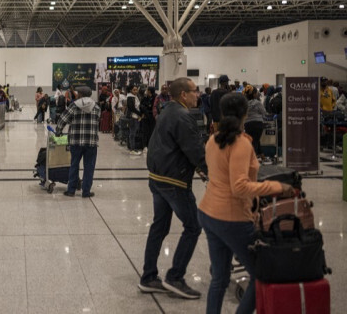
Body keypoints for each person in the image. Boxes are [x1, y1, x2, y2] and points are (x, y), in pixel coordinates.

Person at [198, 92, 294, 314]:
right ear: (246, 113)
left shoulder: (213, 140)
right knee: (260, 274)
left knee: (220, 278)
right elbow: (239, 187)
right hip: (231, 218)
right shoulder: (240, 144)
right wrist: (278, 188)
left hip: (208, 213)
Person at [139, 77, 207, 299]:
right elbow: (195, 150)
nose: (198, 95)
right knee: (193, 226)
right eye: (195, 91)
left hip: (157, 177)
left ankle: (148, 277)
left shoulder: (167, 111)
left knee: (159, 226)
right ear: (183, 95)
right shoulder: (183, 116)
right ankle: (175, 277)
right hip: (174, 181)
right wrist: (208, 170)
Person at [55, 86, 100, 198]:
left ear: (80, 94)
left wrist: (58, 131)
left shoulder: (74, 105)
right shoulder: (96, 107)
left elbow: (63, 119)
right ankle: (86, 192)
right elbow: (97, 120)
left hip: (76, 141)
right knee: (89, 167)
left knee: (74, 165)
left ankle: (71, 190)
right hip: (91, 142)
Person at [243, 85, 268, 164]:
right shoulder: (257, 103)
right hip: (257, 124)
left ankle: (261, 155)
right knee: (255, 141)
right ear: (253, 94)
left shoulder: (244, 104)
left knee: (254, 140)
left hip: (247, 124)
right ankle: (252, 160)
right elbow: (264, 112)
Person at [126, 85, 142, 155]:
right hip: (132, 117)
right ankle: (132, 149)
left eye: (136, 89)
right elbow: (132, 108)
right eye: (134, 90)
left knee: (134, 133)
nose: (136, 91)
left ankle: (133, 148)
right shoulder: (130, 97)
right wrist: (140, 114)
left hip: (136, 117)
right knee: (132, 133)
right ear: (130, 90)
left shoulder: (136, 96)